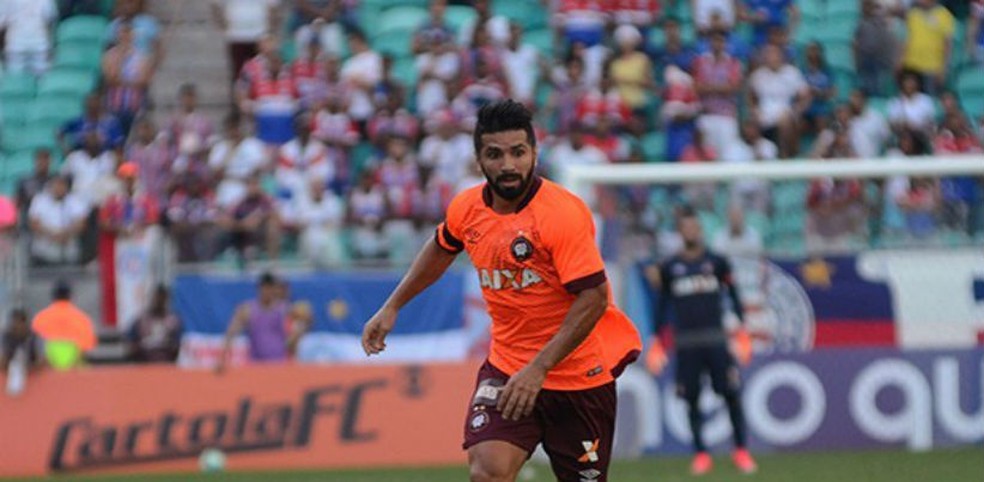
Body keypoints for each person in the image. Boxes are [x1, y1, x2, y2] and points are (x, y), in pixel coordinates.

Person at [361, 100, 641, 482]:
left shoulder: (561, 213)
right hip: (507, 370)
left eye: (518, 152)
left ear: (534, 154)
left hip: (578, 378)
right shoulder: (467, 208)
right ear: (479, 159)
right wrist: (392, 307)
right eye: (495, 154)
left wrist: (540, 368)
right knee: (487, 473)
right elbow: (441, 248)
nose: (508, 165)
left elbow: (593, 298)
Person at [646, 208, 756, 476]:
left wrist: (741, 329)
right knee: (691, 399)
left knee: (731, 393)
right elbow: (662, 306)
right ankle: (701, 454)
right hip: (686, 344)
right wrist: (657, 340)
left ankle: (741, 450)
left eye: (695, 227)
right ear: (680, 232)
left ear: (701, 230)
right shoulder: (670, 268)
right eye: (686, 228)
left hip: (716, 340)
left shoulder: (717, 262)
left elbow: (733, 294)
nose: (691, 232)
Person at [217, 272, 308, 369]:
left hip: (279, 364)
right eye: (265, 288)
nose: (268, 291)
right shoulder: (247, 310)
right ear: (259, 288)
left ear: (274, 289)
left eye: (270, 288)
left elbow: (307, 318)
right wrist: (223, 358)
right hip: (256, 364)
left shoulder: (283, 308)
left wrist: (295, 337)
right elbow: (231, 333)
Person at [31, 281, 97, 369]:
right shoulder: (82, 318)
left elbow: (34, 347)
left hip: (46, 368)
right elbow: (87, 348)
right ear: (70, 295)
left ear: (53, 296)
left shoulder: (40, 318)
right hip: (74, 368)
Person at [212, 0, 279, 82]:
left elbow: (273, 6)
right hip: (237, 36)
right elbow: (215, 4)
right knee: (239, 73)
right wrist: (221, 24)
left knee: (261, 71)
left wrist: (270, 31)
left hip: (260, 34)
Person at [28, 176, 89, 266]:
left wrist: (65, 234)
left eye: (62, 185)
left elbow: (82, 223)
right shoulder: (40, 199)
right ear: (50, 186)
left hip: (67, 243)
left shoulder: (74, 200)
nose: (59, 188)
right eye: (56, 185)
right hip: (45, 246)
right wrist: (52, 235)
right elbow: (33, 223)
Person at [899, 0, 955, 95]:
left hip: (932, 67)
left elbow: (947, 44)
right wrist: (901, 60)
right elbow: (906, 39)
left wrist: (943, 69)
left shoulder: (944, 15)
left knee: (929, 99)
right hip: (911, 65)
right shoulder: (912, 14)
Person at [0, 0, 57, 76]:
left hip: (22, 44)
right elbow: (49, 22)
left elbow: (2, 25)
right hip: (30, 44)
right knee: (38, 79)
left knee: (17, 79)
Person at [127, 285, 182, 363]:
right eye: (157, 298)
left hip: (166, 364)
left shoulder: (174, 321)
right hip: (145, 364)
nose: (159, 301)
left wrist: (166, 346)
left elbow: (178, 346)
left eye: (162, 298)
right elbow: (130, 345)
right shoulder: (141, 321)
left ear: (167, 299)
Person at [854, 0, 897, 96]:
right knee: (865, 84)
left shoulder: (880, 22)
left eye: (868, 6)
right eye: (864, 7)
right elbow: (856, 43)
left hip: (878, 59)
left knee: (877, 85)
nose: (866, 9)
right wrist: (856, 61)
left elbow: (886, 41)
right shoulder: (860, 23)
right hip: (864, 58)